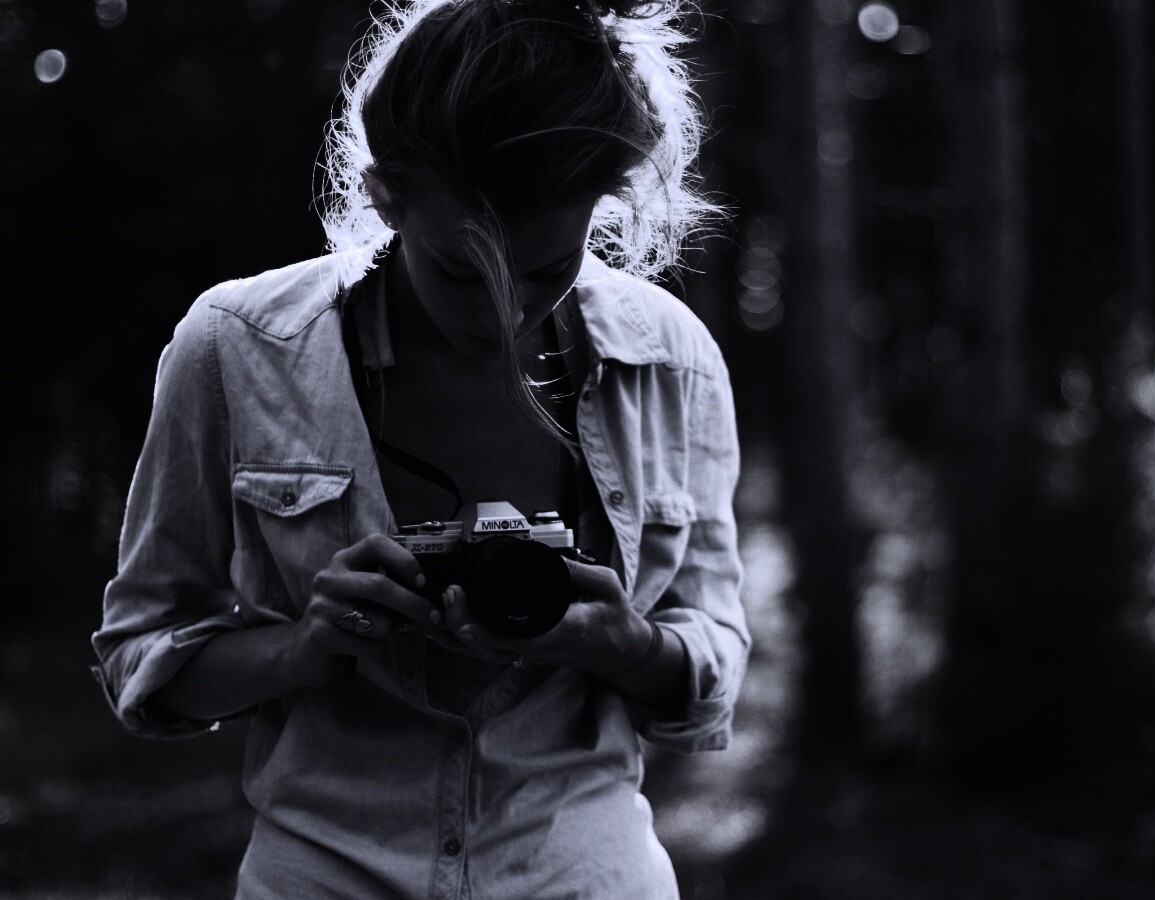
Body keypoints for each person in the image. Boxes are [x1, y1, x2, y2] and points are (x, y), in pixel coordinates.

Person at [90, 0, 749, 896]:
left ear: (602, 206)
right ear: (384, 194)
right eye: (462, 271)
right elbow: (141, 658)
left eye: (546, 270)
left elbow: (713, 667)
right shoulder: (236, 348)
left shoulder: (669, 359)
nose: (505, 314)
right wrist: (303, 648)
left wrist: (625, 646)